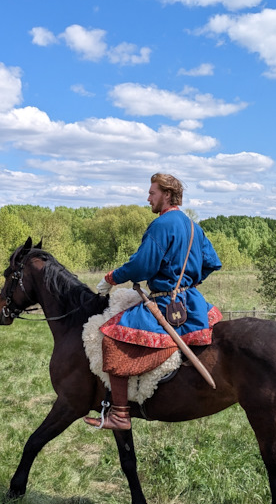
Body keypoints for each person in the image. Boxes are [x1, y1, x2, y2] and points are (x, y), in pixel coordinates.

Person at [85, 173, 222, 430]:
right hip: (192, 303)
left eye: (152, 193)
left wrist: (112, 277)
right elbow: (212, 262)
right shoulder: (193, 226)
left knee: (112, 340)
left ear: (167, 195)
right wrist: (188, 282)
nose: (148, 198)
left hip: (164, 303)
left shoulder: (161, 225)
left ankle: (120, 415)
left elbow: (142, 266)